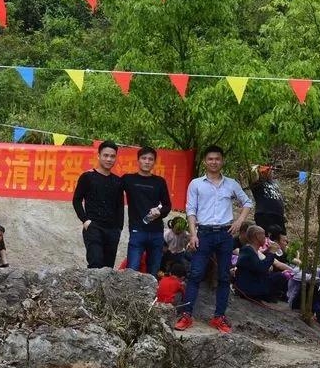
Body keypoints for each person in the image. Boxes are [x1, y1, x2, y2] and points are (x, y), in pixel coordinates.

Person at [176, 145, 253, 334]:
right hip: (204, 233)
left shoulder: (231, 183)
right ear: (205, 161)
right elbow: (191, 210)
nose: (214, 162)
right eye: (210, 159)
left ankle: (219, 317)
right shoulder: (196, 184)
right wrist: (193, 234)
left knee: (224, 277)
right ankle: (187, 314)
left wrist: (240, 221)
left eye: (217, 159)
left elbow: (247, 202)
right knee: (195, 274)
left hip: (225, 234)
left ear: (222, 161)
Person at [72, 141, 124, 269]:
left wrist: (119, 228)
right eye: (105, 155)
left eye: (112, 156)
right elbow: (77, 200)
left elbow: (120, 205)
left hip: (112, 230)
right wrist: (85, 221)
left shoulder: (117, 181)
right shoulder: (87, 177)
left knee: (108, 268)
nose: (109, 159)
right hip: (94, 227)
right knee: (95, 263)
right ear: (98, 156)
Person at [122, 146, 172, 276]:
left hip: (156, 233)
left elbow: (167, 206)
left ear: (154, 162)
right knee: (131, 271)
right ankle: (130, 296)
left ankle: (151, 297)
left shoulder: (160, 182)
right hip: (137, 231)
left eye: (150, 159)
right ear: (138, 160)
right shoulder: (128, 179)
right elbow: (110, 185)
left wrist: (159, 212)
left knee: (153, 273)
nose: (147, 161)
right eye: (144, 158)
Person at [233, 225, 289, 303]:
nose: (265, 237)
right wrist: (271, 253)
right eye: (263, 235)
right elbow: (262, 268)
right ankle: (265, 295)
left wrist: (268, 251)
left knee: (280, 275)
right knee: (279, 277)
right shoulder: (247, 250)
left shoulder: (250, 249)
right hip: (249, 287)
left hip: (253, 281)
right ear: (257, 236)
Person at [250, 165, 286, 235]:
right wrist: (257, 168)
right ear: (263, 174)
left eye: (272, 171)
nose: (272, 172)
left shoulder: (274, 183)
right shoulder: (258, 183)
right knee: (266, 237)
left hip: (278, 215)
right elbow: (253, 174)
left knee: (281, 237)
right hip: (265, 214)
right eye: (269, 171)